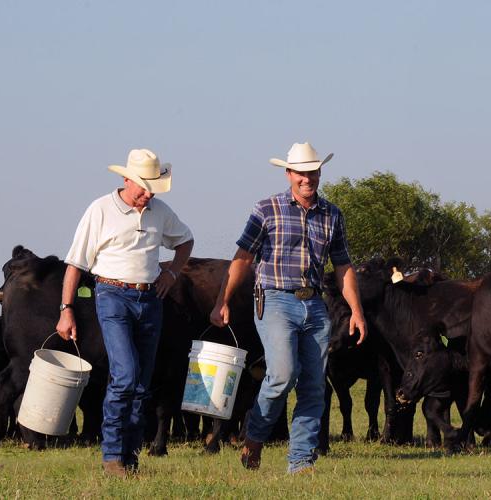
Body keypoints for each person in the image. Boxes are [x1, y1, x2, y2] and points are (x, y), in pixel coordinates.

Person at [210, 142, 366, 474]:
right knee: (282, 374)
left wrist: (356, 310)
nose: (307, 178)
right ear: (289, 174)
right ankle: (254, 435)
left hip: (315, 303)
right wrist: (222, 300)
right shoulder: (266, 209)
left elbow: (343, 266)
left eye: (312, 172)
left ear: (320, 172)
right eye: (300, 172)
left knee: (313, 385)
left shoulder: (332, 214)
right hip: (274, 299)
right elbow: (242, 259)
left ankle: (301, 461)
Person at [56, 148, 193, 477]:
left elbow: (185, 241)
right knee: (126, 375)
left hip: (149, 300)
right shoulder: (100, 209)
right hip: (112, 296)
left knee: (142, 384)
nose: (148, 194)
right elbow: (75, 264)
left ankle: (130, 457)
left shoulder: (161, 211)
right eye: (143, 187)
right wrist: (66, 309)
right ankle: (112, 456)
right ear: (126, 179)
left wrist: (171, 274)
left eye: (153, 188)